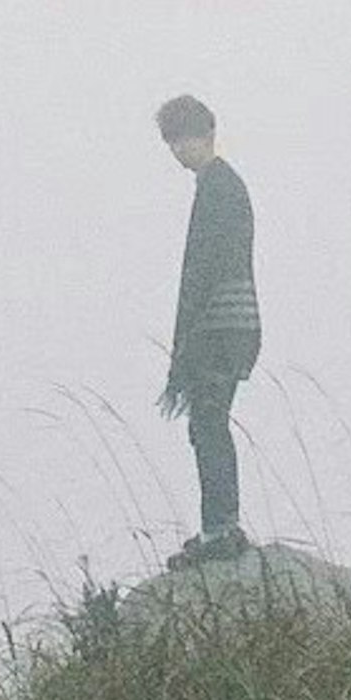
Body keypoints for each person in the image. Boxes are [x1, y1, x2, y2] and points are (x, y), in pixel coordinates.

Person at [153, 92, 261, 569]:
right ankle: (221, 523)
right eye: (172, 142)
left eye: (185, 139)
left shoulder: (220, 186)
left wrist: (190, 336)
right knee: (207, 425)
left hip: (221, 326)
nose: (179, 150)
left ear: (208, 134)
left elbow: (207, 267)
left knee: (209, 423)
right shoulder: (218, 184)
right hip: (229, 325)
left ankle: (221, 528)